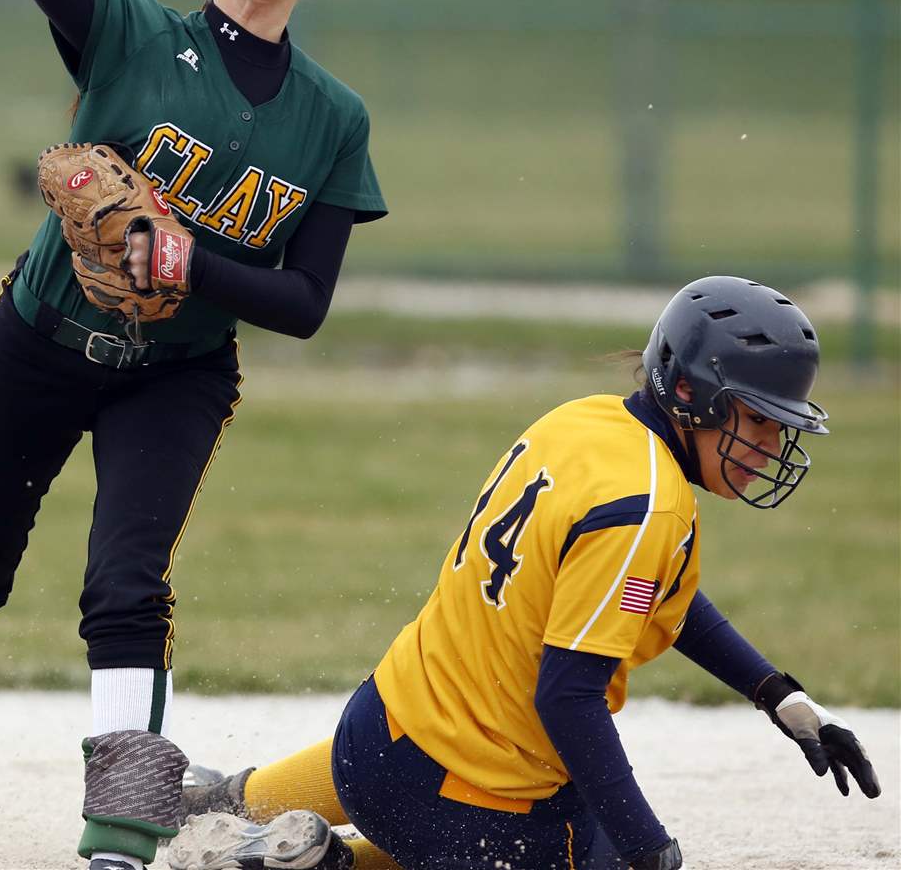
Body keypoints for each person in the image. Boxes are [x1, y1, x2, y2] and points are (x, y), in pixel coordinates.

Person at [0, 0, 385, 870]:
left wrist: (192, 265)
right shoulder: (134, 33)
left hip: (179, 372)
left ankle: (119, 843)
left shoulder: (334, 119)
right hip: (39, 341)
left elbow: (304, 305)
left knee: (128, 586)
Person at [164, 276, 881, 870]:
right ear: (693, 396)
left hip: (371, 736)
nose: (771, 444)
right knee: (593, 853)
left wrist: (778, 695)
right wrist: (649, 851)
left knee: (477, 750)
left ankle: (232, 801)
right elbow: (570, 698)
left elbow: (656, 591)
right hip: (454, 802)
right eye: (758, 420)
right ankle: (332, 866)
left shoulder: (584, 423)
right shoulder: (648, 507)